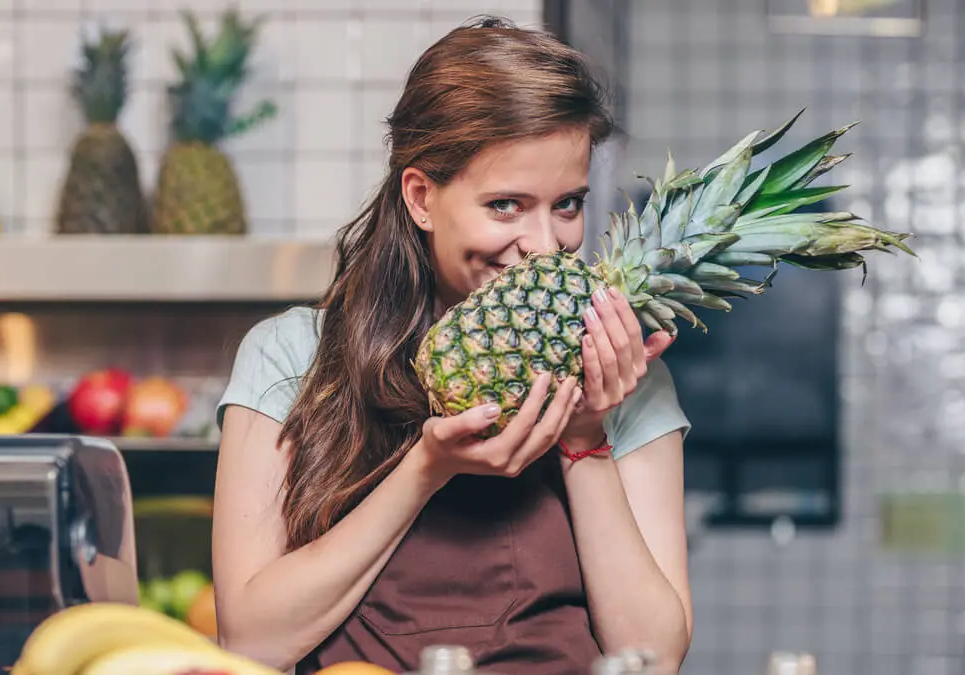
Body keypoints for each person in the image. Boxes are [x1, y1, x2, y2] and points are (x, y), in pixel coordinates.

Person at [211, 16, 693, 675]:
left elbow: (655, 656)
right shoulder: (289, 356)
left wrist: (586, 438)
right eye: (505, 205)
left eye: (568, 204)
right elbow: (251, 641)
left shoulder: (624, 375)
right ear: (421, 197)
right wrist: (425, 469)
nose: (545, 245)